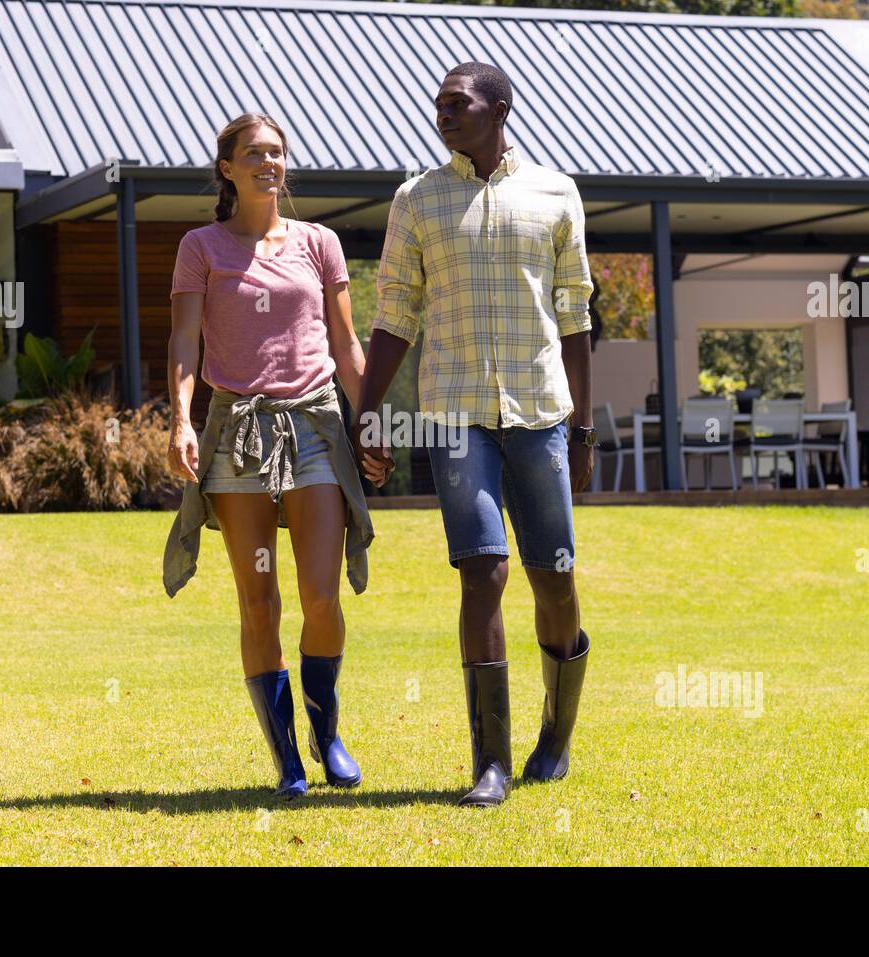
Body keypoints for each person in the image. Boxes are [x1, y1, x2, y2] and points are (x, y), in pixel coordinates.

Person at [353, 62, 596, 808]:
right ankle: (489, 762)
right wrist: (368, 410)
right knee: (481, 571)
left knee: (553, 577)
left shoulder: (555, 194)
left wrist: (584, 428)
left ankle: (554, 734)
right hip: (455, 416)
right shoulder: (417, 200)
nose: (443, 116)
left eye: (457, 104)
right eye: (438, 106)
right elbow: (394, 314)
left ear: (500, 108)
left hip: (540, 416)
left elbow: (576, 316)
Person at [163, 112, 392, 800]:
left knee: (320, 595)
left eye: (278, 152)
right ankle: (288, 759)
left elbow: (349, 346)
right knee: (258, 601)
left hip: (316, 424)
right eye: (255, 153)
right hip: (237, 430)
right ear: (227, 168)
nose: (270, 162)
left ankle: (327, 730)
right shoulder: (201, 246)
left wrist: (369, 417)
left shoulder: (319, 242)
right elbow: (184, 342)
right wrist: (181, 418)